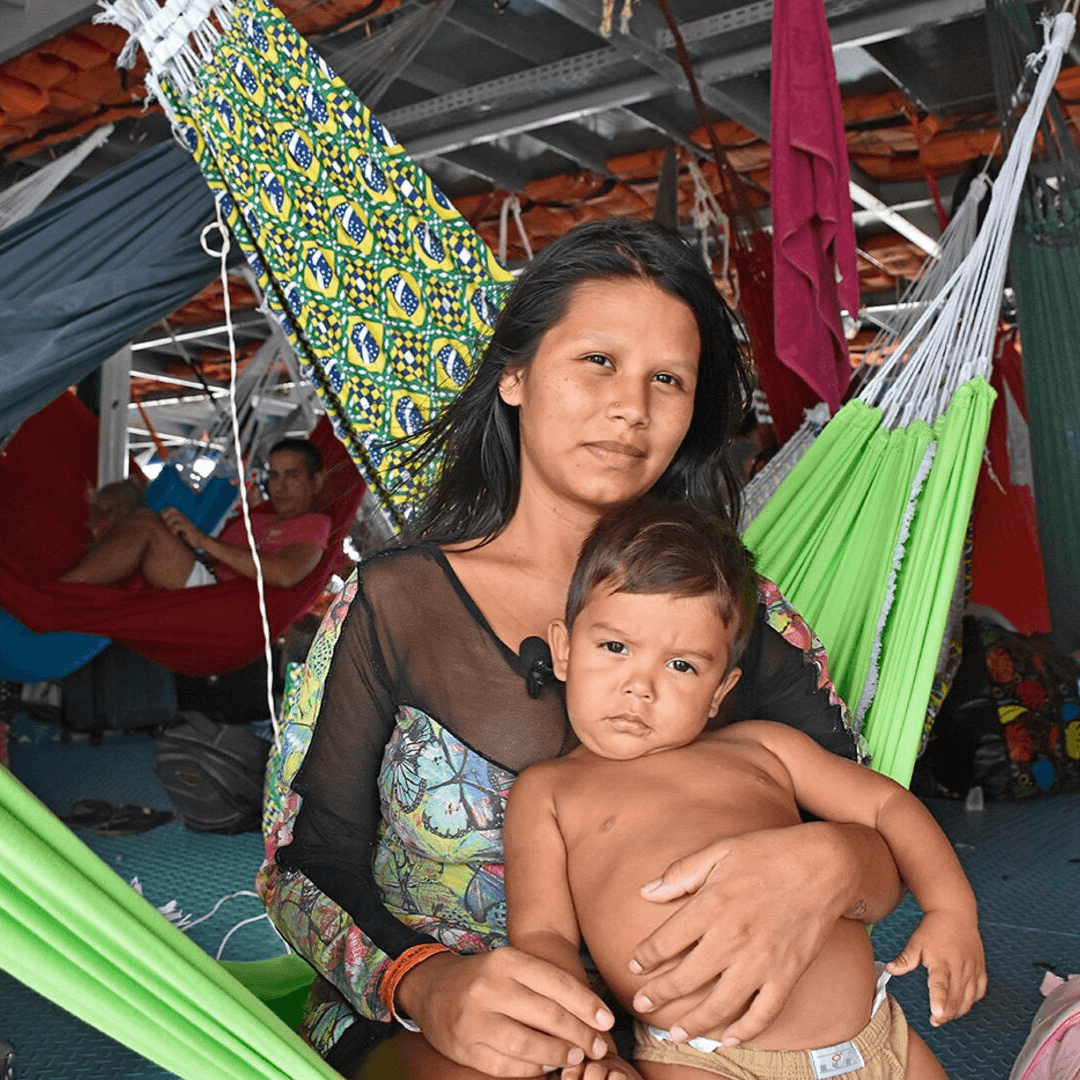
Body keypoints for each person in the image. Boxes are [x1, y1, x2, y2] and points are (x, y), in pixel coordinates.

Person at [260, 217, 905, 1079]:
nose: (630, 408)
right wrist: (427, 984)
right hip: (444, 1030)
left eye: (667, 380)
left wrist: (830, 863)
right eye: (598, 361)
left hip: (712, 1039)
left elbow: (884, 834)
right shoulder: (391, 604)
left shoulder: (737, 611)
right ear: (517, 375)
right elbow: (300, 866)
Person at [504, 500, 986, 1080]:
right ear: (563, 650)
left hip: (876, 1042)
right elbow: (543, 936)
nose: (640, 686)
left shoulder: (763, 747)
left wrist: (952, 908)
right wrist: (591, 1053)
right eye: (615, 648)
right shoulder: (549, 792)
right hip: (705, 1060)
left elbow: (886, 805)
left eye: (681, 665)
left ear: (718, 690)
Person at [59, 438, 330, 591]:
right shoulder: (258, 518)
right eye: (274, 475)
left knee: (145, 525)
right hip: (203, 574)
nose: (279, 486)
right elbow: (215, 553)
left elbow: (285, 573)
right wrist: (185, 538)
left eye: (292, 475)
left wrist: (203, 540)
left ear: (316, 481)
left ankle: (61, 593)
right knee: (141, 518)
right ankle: (71, 585)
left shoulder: (315, 524)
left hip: (216, 597)